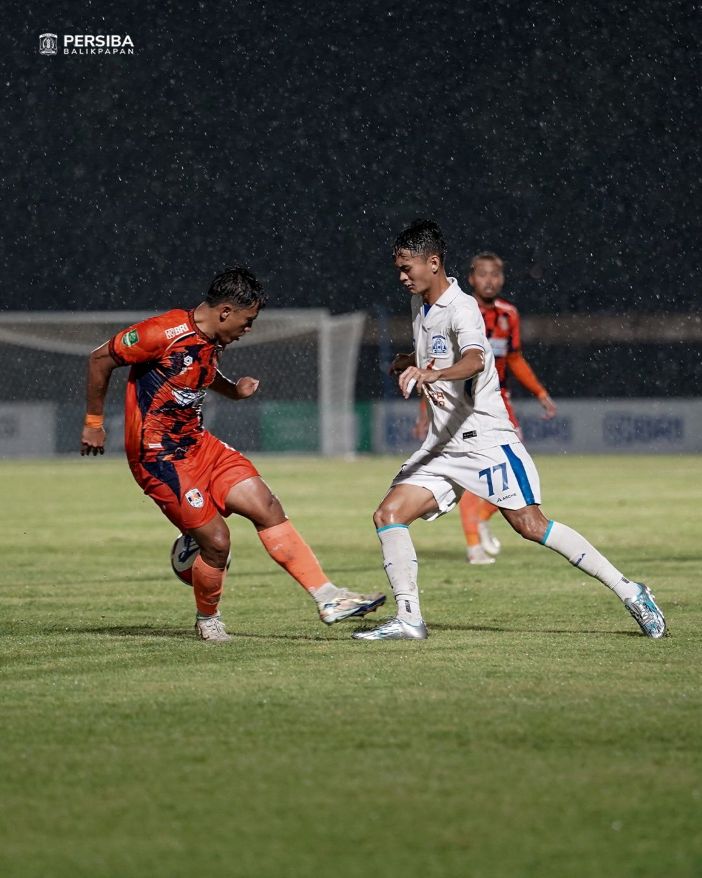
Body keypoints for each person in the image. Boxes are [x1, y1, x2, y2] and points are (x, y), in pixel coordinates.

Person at [353, 220, 666, 641]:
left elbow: (475, 360)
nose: (402, 276)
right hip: (442, 447)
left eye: (408, 267)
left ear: (434, 262)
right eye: (398, 269)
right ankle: (409, 619)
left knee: (531, 525)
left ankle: (631, 591)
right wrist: (410, 359)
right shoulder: (420, 304)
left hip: (484, 440)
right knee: (388, 514)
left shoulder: (462, 308)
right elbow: (435, 351)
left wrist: (430, 373)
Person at [80, 265, 385, 643]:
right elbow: (99, 358)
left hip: (199, 444)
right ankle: (208, 619)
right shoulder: (160, 333)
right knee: (219, 542)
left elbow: (199, 374)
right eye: (248, 319)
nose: (249, 328)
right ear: (225, 311)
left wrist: (232, 390)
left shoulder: (214, 339)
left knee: (266, 505)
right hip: (159, 458)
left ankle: (328, 598)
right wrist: (94, 421)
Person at [413, 251, 558, 565]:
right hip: (459, 405)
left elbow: (515, 358)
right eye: (483, 274)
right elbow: (432, 365)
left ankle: (480, 519)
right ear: (471, 277)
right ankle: (473, 546)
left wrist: (539, 391)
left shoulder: (508, 315)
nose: (489, 281)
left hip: (496, 402)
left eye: (495, 274)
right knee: (470, 476)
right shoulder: (459, 310)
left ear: (502, 278)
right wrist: (425, 414)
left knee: (512, 473)